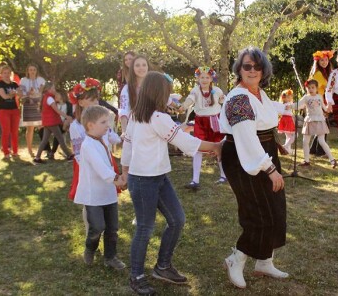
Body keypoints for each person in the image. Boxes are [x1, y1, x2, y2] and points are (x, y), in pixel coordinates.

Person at [120, 71, 221, 296]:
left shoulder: (143, 114)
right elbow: (184, 142)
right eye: (168, 92)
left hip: (159, 177)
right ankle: (136, 277)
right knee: (144, 229)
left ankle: (162, 267)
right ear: (158, 92)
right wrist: (216, 146)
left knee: (177, 219)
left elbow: (128, 144)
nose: (171, 97)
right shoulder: (153, 117)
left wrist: (125, 170)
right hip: (143, 180)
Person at [219, 47, 288, 289]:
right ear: (239, 68)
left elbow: (266, 122)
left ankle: (264, 261)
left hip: (264, 150)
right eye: (247, 66)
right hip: (243, 156)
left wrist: (277, 145)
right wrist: (270, 170)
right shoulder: (238, 98)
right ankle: (235, 259)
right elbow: (247, 137)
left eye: (257, 67)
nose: (252, 70)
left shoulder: (260, 93)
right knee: (260, 211)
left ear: (263, 71)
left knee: (276, 207)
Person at [73, 105, 126, 270]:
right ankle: (90, 247)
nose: (107, 125)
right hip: (93, 195)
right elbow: (101, 167)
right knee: (97, 227)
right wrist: (116, 179)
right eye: (103, 122)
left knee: (112, 228)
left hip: (108, 193)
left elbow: (115, 144)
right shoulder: (88, 145)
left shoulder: (103, 139)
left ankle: (110, 257)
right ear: (90, 125)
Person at [178, 66, 226, 189]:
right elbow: (190, 99)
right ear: (198, 78)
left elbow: (223, 101)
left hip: (214, 121)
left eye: (207, 77)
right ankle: (195, 180)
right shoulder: (195, 90)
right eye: (202, 77)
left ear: (211, 79)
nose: (204, 79)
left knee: (219, 147)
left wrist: (225, 101)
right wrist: (183, 106)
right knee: (198, 148)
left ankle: (223, 175)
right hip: (201, 122)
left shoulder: (217, 90)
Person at [298, 80, 337, 168]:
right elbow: (299, 105)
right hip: (309, 120)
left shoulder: (319, 97)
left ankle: (332, 159)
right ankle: (306, 161)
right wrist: (290, 106)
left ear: (316, 88)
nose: (311, 89)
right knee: (305, 141)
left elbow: (324, 107)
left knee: (322, 141)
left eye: (313, 88)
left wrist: (328, 107)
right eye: (309, 88)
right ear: (306, 88)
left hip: (319, 120)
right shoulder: (306, 97)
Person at [33, 82, 74, 163]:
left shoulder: (46, 97)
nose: (55, 90)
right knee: (61, 139)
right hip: (52, 122)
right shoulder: (50, 99)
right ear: (49, 89)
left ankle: (37, 158)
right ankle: (69, 155)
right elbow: (57, 110)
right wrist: (67, 116)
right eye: (54, 88)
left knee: (44, 140)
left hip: (47, 122)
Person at [308, 50, 334, 156]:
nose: (324, 62)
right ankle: (319, 151)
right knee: (324, 126)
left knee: (323, 125)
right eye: (322, 60)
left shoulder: (323, 72)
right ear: (318, 61)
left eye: (326, 60)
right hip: (318, 101)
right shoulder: (319, 74)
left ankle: (314, 150)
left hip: (319, 100)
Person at [0, 64, 22, 159]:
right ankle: (6, 151)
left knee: (15, 131)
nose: (6, 75)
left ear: (11, 74)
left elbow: (20, 94)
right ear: (1, 74)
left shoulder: (14, 84)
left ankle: (15, 151)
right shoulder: (0, 84)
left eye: (8, 73)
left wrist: (16, 93)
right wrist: (13, 94)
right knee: (6, 131)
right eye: (4, 73)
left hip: (14, 109)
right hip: (4, 110)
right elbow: (4, 96)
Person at [19, 63, 46, 157]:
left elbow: (42, 92)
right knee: (30, 128)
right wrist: (28, 93)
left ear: (36, 70)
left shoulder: (41, 80)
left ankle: (45, 148)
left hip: (38, 104)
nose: (32, 71)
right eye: (30, 70)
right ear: (27, 71)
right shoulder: (23, 80)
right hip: (28, 104)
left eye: (34, 69)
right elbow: (21, 93)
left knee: (42, 126)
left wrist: (38, 92)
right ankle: (30, 149)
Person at [119, 55, 149, 134]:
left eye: (144, 65)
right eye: (137, 65)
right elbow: (123, 110)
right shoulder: (127, 89)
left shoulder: (154, 86)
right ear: (132, 68)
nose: (141, 68)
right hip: (136, 129)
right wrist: (124, 131)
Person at [49, 89, 72, 159]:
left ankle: (52, 152)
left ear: (62, 96)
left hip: (65, 124)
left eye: (57, 95)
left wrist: (66, 121)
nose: (55, 96)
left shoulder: (68, 104)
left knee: (58, 134)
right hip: (56, 124)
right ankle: (54, 152)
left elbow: (70, 114)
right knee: (58, 134)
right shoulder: (55, 105)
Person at [276, 89, 296, 154]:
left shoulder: (282, 104)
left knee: (288, 136)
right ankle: (285, 146)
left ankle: (288, 150)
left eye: (290, 96)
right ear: (284, 98)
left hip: (285, 119)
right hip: (287, 120)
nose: (290, 97)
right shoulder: (288, 104)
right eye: (288, 96)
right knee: (294, 135)